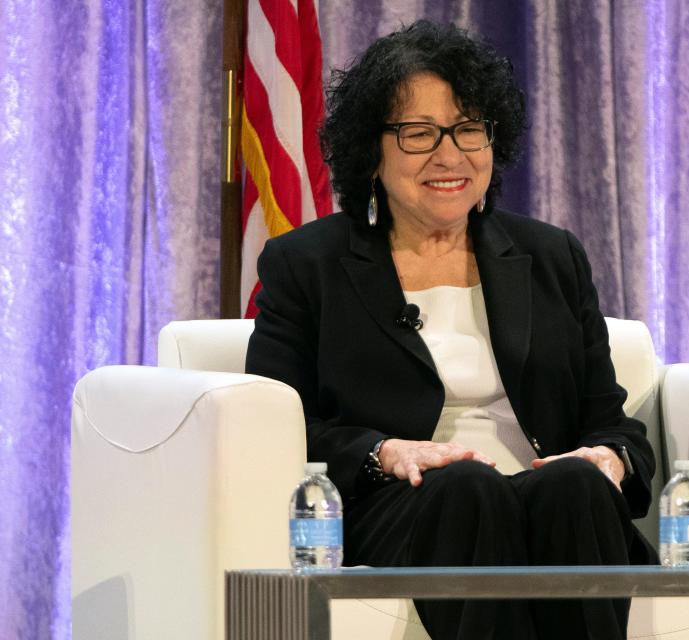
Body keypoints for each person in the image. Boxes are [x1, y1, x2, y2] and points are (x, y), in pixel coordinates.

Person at [246, 19, 657, 640]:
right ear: (371, 152)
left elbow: (612, 421)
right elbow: (277, 424)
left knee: (577, 483)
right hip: (404, 506)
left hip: (549, 500)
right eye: (418, 133)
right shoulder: (309, 265)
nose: (450, 155)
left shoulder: (551, 257)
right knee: (467, 485)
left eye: (468, 129)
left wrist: (612, 459)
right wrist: (385, 453)